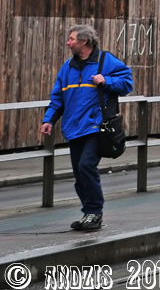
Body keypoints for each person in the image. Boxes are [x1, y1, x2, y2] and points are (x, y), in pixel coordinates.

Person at [39, 25, 133, 231]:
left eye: (71, 39)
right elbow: (58, 98)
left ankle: (95, 212)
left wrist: (106, 80)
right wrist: (49, 120)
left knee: (86, 166)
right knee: (79, 174)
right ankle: (88, 213)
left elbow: (127, 83)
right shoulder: (67, 67)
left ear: (84, 41)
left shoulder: (105, 61)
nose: (68, 43)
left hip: (95, 127)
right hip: (74, 128)